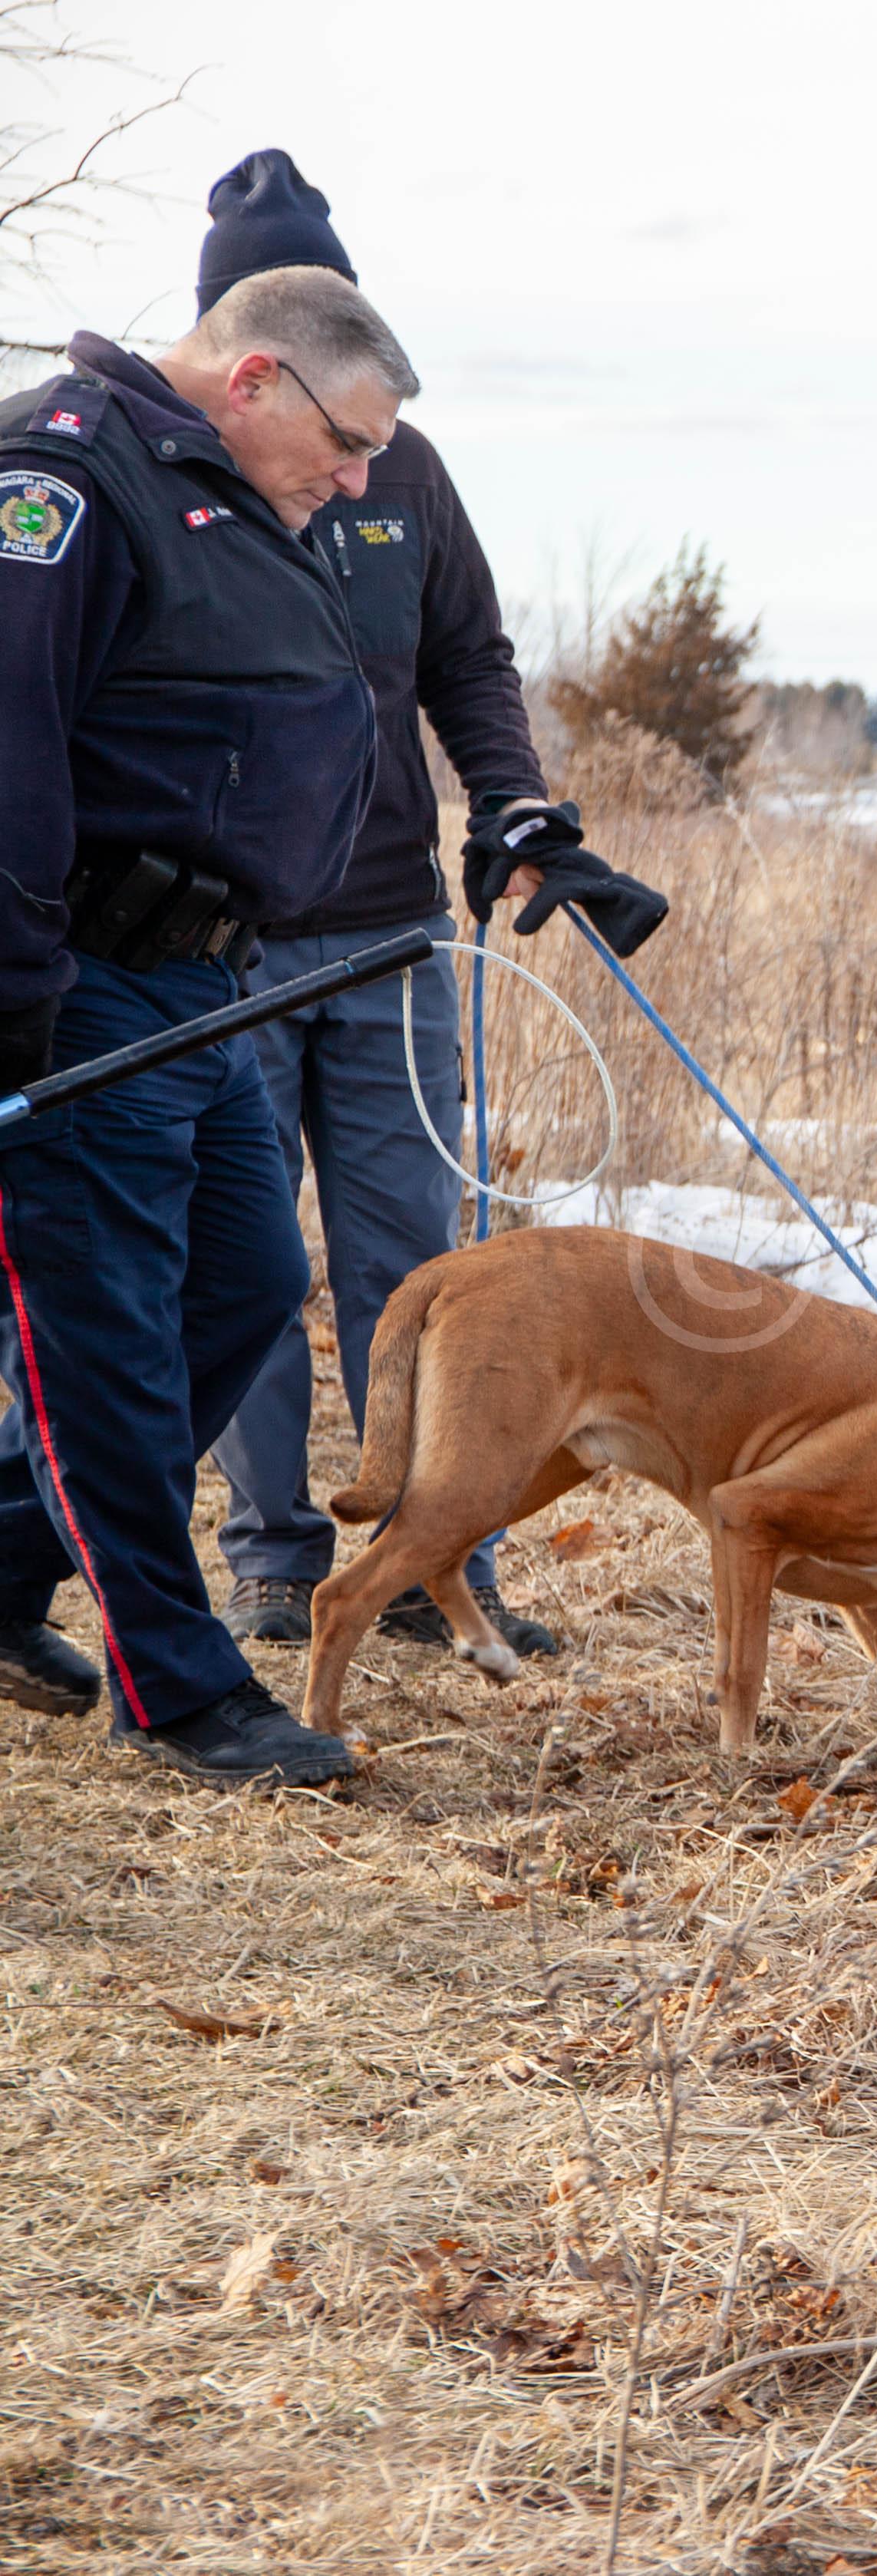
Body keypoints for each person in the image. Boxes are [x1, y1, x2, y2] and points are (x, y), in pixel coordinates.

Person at [186, 151, 668, 1658]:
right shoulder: (167, 470)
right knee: (249, 1255)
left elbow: (470, 663)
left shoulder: (403, 470)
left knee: (424, 1267)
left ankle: (440, 1555)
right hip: (221, 942)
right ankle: (273, 1555)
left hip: (392, 928)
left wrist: (514, 806)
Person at [0, 264, 430, 1786]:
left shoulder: (241, 494)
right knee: (103, 1335)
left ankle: (1, 1560)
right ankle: (180, 1686)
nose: (364, 476)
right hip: (81, 978)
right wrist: (17, 994)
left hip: (208, 981)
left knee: (250, 1279)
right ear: (255, 379)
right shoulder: (65, 471)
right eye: (350, 440)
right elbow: (9, 732)